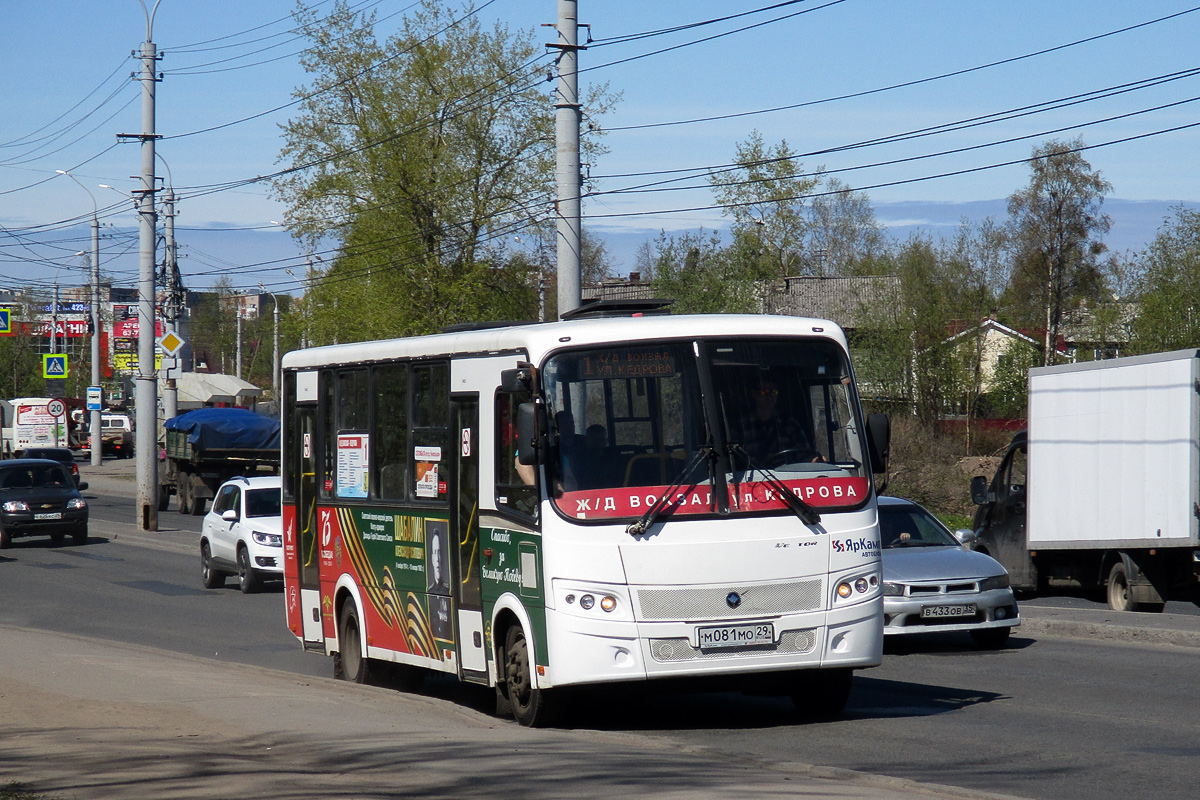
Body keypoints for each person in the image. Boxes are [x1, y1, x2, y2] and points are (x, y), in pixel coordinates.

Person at [734, 376, 813, 465]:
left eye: (773, 392)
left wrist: (813, 461)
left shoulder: (789, 424)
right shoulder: (741, 427)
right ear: (754, 394)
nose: (770, 397)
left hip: (786, 477)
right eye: (765, 392)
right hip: (754, 478)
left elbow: (804, 456)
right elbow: (735, 463)